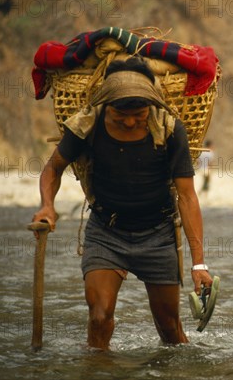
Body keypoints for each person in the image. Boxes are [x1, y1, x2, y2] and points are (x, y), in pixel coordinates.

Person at [31, 57, 213, 350]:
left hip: (158, 235)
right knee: (99, 318)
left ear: (152, 107)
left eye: (139, 115)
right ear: (106, 106)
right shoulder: (87, 124)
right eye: (119, 116)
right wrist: (47, 206)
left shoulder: (168, 128)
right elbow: (53, 168)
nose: (129, 121)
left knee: (170, 331)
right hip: (106, 233)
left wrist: (199, 264)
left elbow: (187, 196)